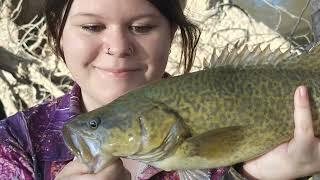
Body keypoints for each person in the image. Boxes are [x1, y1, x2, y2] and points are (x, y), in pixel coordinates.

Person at [0, 0, 319, 179]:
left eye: (141, 27)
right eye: (92, 26)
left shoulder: (246, 159)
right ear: (57, 32)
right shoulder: (13, 145)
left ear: (172, 34)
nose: (118, 47)